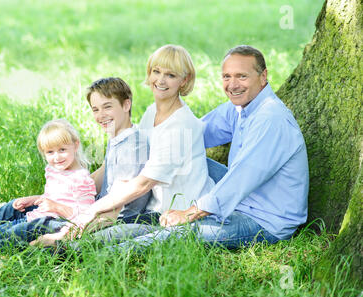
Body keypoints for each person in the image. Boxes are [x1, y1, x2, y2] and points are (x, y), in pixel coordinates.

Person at [89, 45, 309, 252]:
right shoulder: (243, 107)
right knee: (185, 155)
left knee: (181, 233)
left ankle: (103, 254)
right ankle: (108, 208)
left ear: (263, 76)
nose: (233, 85)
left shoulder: (271, 119)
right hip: (244, 198)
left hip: (265, 218)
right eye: (227, 77)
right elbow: (193, 134)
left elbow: (240, 180)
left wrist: (189, 213)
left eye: (242, 76)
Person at [32, 44, 216, 246]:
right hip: (149, 208)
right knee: (59, 222)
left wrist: (91, 211)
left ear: (185, 79)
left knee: (86, 243)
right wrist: (66, 192)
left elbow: (142, 184)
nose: (161, 80)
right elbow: (113, 166)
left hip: (171, 217)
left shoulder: (180, 127)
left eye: (171, 75)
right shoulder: (152, 112)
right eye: (156, 72)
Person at [0, 119, 97, 254]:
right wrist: (33, 199)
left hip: (52, 225)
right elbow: (55, 196)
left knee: (1, 237)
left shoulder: (82, 180)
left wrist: (55, 206)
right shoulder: (54, 170)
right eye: (50, 152)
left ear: (75, 145)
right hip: (34, 217)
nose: (56, 157)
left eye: (62, 150)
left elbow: (84, 216)